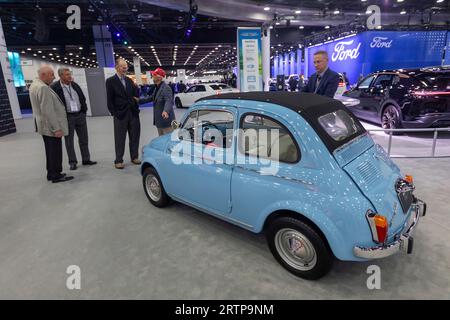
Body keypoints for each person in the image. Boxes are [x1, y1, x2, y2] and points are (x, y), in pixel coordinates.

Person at [29, 65, 74, 183]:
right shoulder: (43, 88)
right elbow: (48, 111)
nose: (54, 77)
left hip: (43, 125)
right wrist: (56, 129)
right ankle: (56, 175)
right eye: (51, 75)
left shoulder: (35, 85)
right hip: (50, 126)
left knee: (50, 151)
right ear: (43, 75)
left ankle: (51, 173)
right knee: (55, 151)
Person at [51, 68, 97, 171]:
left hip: (80, 115)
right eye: (67, 75)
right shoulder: (55, 87)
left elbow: (82, 98)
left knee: (84, 139)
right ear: (61, 76)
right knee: (69, 141)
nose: (70, 76)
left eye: (70, 74)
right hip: (67, 117)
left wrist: (83, 111)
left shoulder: (75, 85)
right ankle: (72, 162)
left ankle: (86, 159)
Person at [106, 58, 141, 169]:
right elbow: (109, 99)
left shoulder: (129, 80)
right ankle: (118, 160)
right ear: (117, 67)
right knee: (120, 138)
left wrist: (137, 92)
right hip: (120, 114)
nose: (125, 68)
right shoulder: (110, 81)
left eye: (126, 66)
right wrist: (114, 113)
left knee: (135, 136)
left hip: (133, 113)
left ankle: (134, 157)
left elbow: (135, 94)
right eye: (122, 66)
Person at [149, 68, 175, 136]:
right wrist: (139, 101)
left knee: (169, 142)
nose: (152, 77)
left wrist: (166, 111)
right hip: (160, 121)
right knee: (162, 141)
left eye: (154, 75)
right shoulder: (157, 88)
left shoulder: (166, 88)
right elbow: (152, 98)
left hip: (167, 122)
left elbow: (168, 100)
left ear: (159, 77)